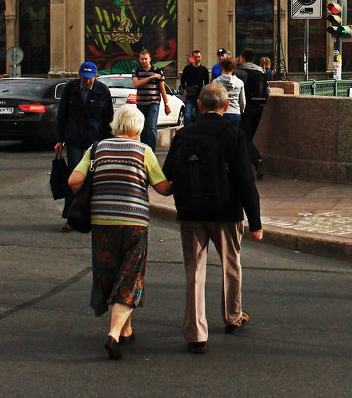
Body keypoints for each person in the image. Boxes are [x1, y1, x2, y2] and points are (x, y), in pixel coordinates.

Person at [161, 83, 263, 354]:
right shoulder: (234, 133)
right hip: (226, 212)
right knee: (231, 264)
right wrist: (255, 222)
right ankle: (232, 316)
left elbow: (168, 171)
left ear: (199, 105)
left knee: (195, 271)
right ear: (226, 106)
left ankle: (196, 334)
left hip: (191, 212)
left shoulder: (184, 134)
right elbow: (245, 179)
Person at [68, 105, 172, 360]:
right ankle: (114, 334)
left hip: (102, 222)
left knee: (109, 272)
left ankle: (126, 329)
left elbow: (73, 181)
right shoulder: (143, 151)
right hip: (134, 221)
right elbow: (163, 188)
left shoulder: (96, 148)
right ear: (137, 127)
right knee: (130, 275)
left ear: (116, 124)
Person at [54, 61, 114, 231]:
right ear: (80, 76)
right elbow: (62, 115)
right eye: (84, 78)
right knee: (74, 177)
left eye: (90, 78)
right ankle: (71, 217)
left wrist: (107, 143)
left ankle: (92, 216)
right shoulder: (70, 89)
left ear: (95, 76)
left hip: (94, 141)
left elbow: (107, 119)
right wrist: (60, 139)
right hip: (74, 139)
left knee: (93, 178)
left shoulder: (103, 91)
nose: (87, 82)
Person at [235, 49, 269, 178]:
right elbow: (268, 90)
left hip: (246, 107)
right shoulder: (261, 71)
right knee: (248, 137)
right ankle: (247, 165)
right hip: (259, 107)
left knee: (244, 138)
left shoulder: (240, 72)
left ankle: (256, 160)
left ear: (242, 59)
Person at [131, 49, 170, 151]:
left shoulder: (158, 71)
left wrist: (167, 104)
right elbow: (136, 84)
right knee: (142, 127)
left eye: (146, 59)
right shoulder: (136, 71)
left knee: (151, 126)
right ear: (139, 60)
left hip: (154, 102)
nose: (144, 61)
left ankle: (151, 150)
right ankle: (143, 149)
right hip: (141, 102)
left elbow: (162, 89)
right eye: (142, 59)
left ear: (150, 59)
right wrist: (150, 77)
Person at [179, 49, 210, 125]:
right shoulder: (187, 68)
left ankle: (198, 130)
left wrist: (205, 93)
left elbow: (207, 83)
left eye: (198, 57)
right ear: (193, 58)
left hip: (199, 95)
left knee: (199, 115)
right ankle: (187, 131)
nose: (197, 59)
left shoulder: (204, 70)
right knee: (187, 115)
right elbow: (182, 80)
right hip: (189, 94)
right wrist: (185, 89)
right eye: (195, 57)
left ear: (201, 57)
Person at [212, 56, 244, 126]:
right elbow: (242, 102)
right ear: (233, 69)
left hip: (221, 113)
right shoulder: (240, 82)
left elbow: (213, 100)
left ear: (222, 68)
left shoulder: (216, 82)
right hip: (236, 113)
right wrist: (241, 111)